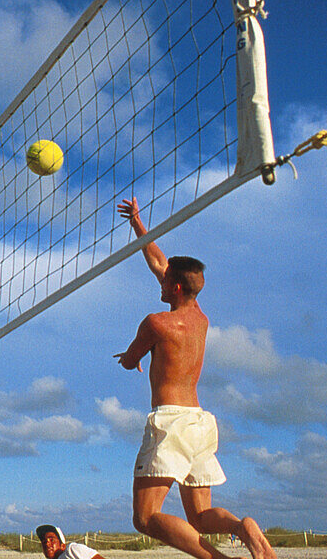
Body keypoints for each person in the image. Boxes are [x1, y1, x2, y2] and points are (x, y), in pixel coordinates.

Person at [114, 197, 276, 559]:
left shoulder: (157, 322)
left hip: (171, 421)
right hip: (200, 422)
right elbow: (160, 261)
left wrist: (129, 358)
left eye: (166, 278)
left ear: (174, 288)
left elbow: (131, 359)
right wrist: (138, 225)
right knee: (201, 517)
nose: (160, 276)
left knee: (145, 517)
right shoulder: (200, 317)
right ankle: (240, 526)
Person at [35, 525, 104, 559]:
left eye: (52, 540)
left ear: (63, 545)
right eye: (44, 541)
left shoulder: (72, 550)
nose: (47, 543)